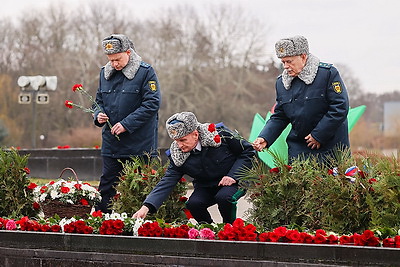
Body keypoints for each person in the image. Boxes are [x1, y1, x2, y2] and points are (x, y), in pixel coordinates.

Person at [132, 111, 256, 224]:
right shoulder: (177, 155)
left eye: (183, 140)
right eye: (176, 141)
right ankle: (208, 231)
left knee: (224, 198)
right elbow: (167, 181)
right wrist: (146, 207)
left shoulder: (221, 134)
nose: (179, 145)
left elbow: (248, 152)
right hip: (207, 186)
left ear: (195, 134)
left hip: (234, 180)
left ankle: (230, 230)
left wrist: (232, 176)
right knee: (193, 204)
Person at [253, 35, 349, 161]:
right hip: (298, 150)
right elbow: (280, 116)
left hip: (330, 149)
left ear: (303, 57)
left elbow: (340, 107)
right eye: (283, 62)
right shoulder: (281, 83)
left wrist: (318, 135)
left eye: (289, 61)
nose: (285, 66)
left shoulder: (328, 74)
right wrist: (265, 138)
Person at [94, 34, 161, 213]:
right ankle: (102, 222)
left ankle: (139, 223)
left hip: (139, 144)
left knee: (139, 187)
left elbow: (152, 103)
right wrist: (98, 114)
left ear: (129, 52)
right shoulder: (104, 73)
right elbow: (98, 100)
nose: (114, 64)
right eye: (111, 60)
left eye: (118, 59)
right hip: (112, 143)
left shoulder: (146, 72)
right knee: (107, 185)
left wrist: (126, 124)